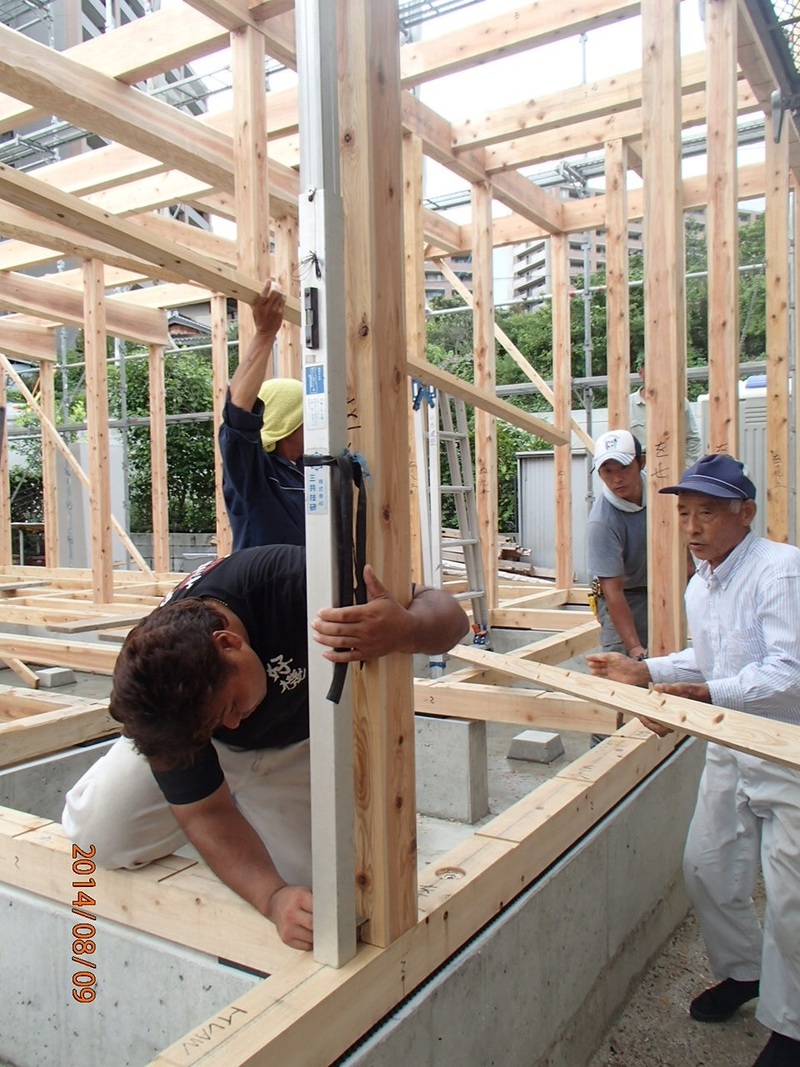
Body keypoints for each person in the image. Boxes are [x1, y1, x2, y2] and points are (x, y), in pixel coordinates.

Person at [62, 545, 469, 951]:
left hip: (298, 743)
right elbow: (204, 811)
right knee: (99, 837)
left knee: (328, 902)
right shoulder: (164, 706)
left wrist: (408, 629)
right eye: (223, 716)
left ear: (229, 643)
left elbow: (450, 616)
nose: (234, 722)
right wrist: (271, 898)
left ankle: (253, 821)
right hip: (203, 740)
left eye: (230, 707)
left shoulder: (294, 583)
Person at [587, 454, 800, 1067]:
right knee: (707, 867)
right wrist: (647, 671)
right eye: (685, 513)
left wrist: (702, 695)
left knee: (790, 899)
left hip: (785, 751)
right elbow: (708, 661)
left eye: (708, 512)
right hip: (731, 744)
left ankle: (791, 1025)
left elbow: (788, 671)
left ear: (746, 513)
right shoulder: (701, 583)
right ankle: (744, 973)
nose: (693, 526)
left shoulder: (780, 571)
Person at [219, 280, 306, 549]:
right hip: (265, 578)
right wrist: (265, 334)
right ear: (288, 422)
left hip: (311, 577)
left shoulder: (306, 470)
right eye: (308, 419)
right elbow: (238, 416)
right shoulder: (254, 473)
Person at [629, 358, 702, 469]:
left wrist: (686, 467)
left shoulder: (679, 402)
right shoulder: (627, 405)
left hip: (673, 469)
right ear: (641, 373)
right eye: (652, 371)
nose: (657, 376)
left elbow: (692, 439)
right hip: (639, 472)